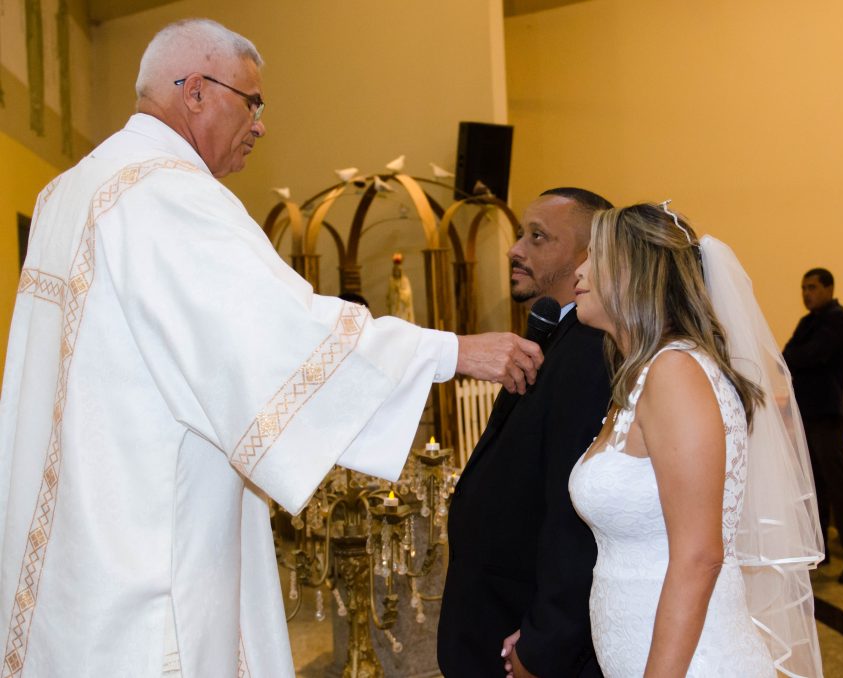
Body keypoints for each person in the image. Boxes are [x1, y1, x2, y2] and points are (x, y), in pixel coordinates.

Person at [0, 19, 542, 677]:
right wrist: (452, 352)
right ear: (195, 91)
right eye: (251, 102)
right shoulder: (167, 194)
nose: (260, 125)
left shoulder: (65, 193)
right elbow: (283, 331)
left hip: (77, 559)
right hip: (148, 562)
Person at [569, 202, 823, 677]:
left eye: (594, 256)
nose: (579, 272)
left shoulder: (675, 373)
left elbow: (701, 556)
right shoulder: (643, 375)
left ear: (635, 271)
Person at [438, 188, 613, 678]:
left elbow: (575, 512)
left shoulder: (589, 352)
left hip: (521, 631)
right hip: (491, 614)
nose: (515, 249)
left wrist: (543, 643)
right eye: (520, 234)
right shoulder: (553, 333)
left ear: (587, 256)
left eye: (537, 237)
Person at [783, 268, 843, 583]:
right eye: (803, 288)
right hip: (808, 412)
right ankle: (820, 550)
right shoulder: (808, 322)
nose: (807, 293)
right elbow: (787, 355)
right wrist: (798, 357)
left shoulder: (837, 319)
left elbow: (810, 355)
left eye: (813, 287)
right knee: (815, 485)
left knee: (838, 485)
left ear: (830, 288)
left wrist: (798, 357)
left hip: (829, 412)